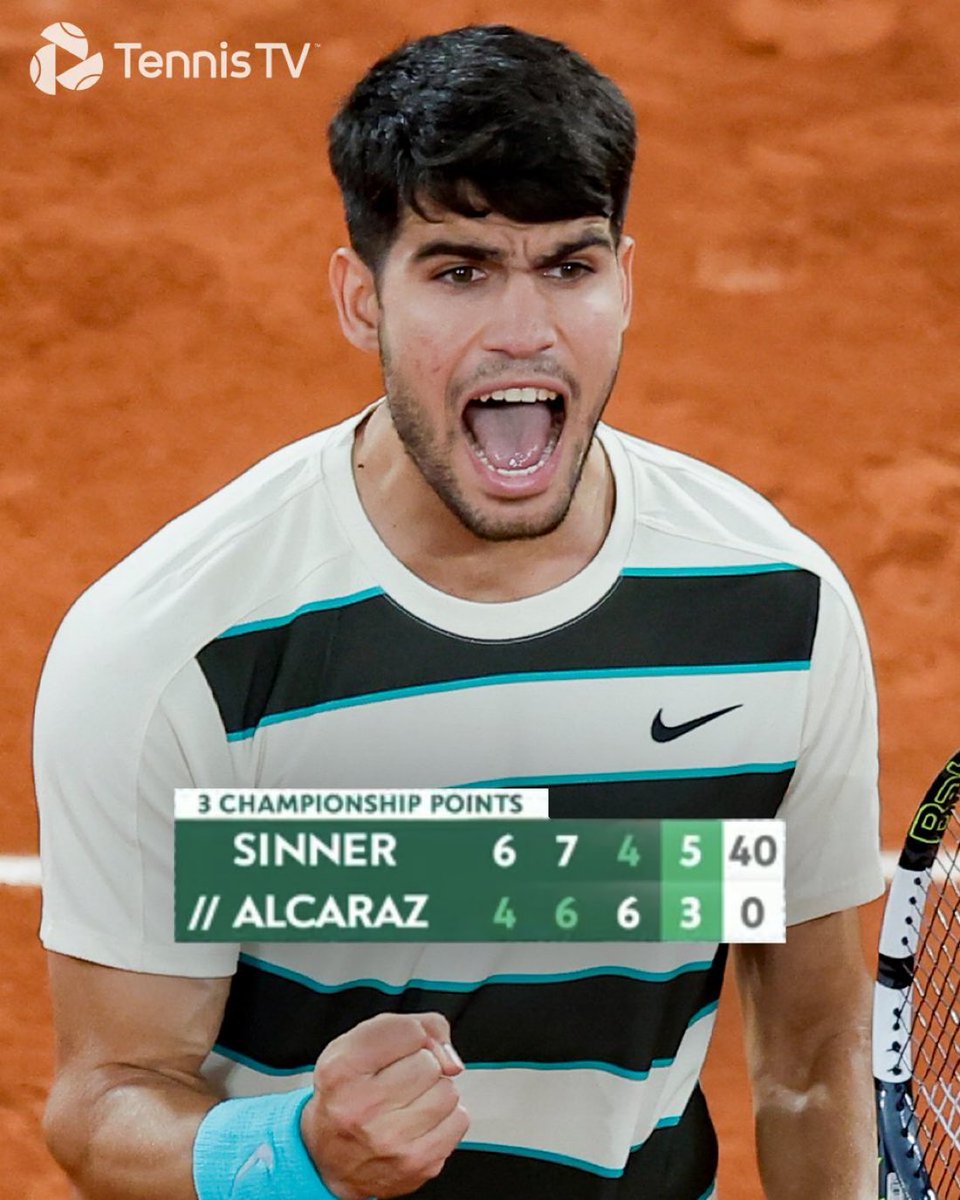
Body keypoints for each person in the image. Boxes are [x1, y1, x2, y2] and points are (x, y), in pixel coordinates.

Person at [35, 24, 884, 1200]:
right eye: (459, 270)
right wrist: (295, 1155)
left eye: (570, 266)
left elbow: (808, 1060)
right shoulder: (182, 651)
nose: (525, 328)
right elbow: (107, 1094)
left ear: (627, 283)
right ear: (359, 299)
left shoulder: (773, 614)